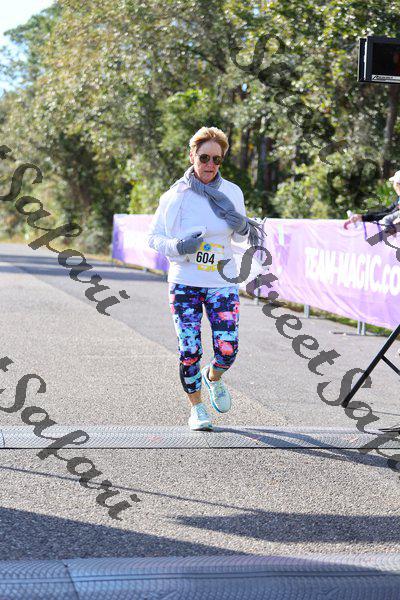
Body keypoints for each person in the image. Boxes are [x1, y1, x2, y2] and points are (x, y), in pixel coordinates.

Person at [147, 126, 264, 431]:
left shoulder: (232, 193)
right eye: (204, 157)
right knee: (189, 351)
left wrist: (243, 228)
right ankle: (197, 409)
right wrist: (178, 246)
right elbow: (154, 238)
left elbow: (241, 237)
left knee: (228, 349)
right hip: (184, 281)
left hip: (222, 281)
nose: (210, 164)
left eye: (217, 159)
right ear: (192, 156)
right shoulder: (176, 195)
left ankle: (213, 377)